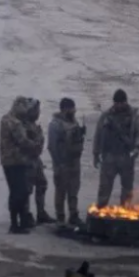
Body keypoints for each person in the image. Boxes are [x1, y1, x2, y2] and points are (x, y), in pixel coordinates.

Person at [92, 89, 139, 208]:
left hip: (126, 156)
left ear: (126, 102)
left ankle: (125, 211)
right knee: (105, 187)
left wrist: (137, 148)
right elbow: (98, 135)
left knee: (127, 188)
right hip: (109, 156)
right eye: (117, 103)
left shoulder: (134, 116)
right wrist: (95, 154)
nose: (119, 105)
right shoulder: (106, 116)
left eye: (122, 102)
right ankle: (100, 211)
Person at [0, 96, 43, 234]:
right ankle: (16, 224)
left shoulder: (6, 119)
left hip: (9, 160)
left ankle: (19, 221)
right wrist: (36, 145)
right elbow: (23, 141)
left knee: (17, 192)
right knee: (20, 192)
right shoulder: (14, 123)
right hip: (16, 161)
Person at [47, 97, 86, 226]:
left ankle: (73, 215)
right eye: (71, 108)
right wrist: (58, 163)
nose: (73, 111)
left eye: (74, 108)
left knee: (74, 190)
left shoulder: (74, 122)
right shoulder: (55, 125)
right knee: (61, 191)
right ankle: (60, 217)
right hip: (62, 163)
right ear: (64, 109)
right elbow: (52, 146)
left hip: (74, 162)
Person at [22, 99, 55, 225]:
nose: (38, 113)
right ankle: (26, 215)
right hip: (27, 161)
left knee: (42, 184)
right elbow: (24, 144)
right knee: (27, 189)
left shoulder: (33, 125)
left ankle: (41, 213)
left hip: (36, 160)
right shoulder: (23, 126)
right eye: (36, 110)